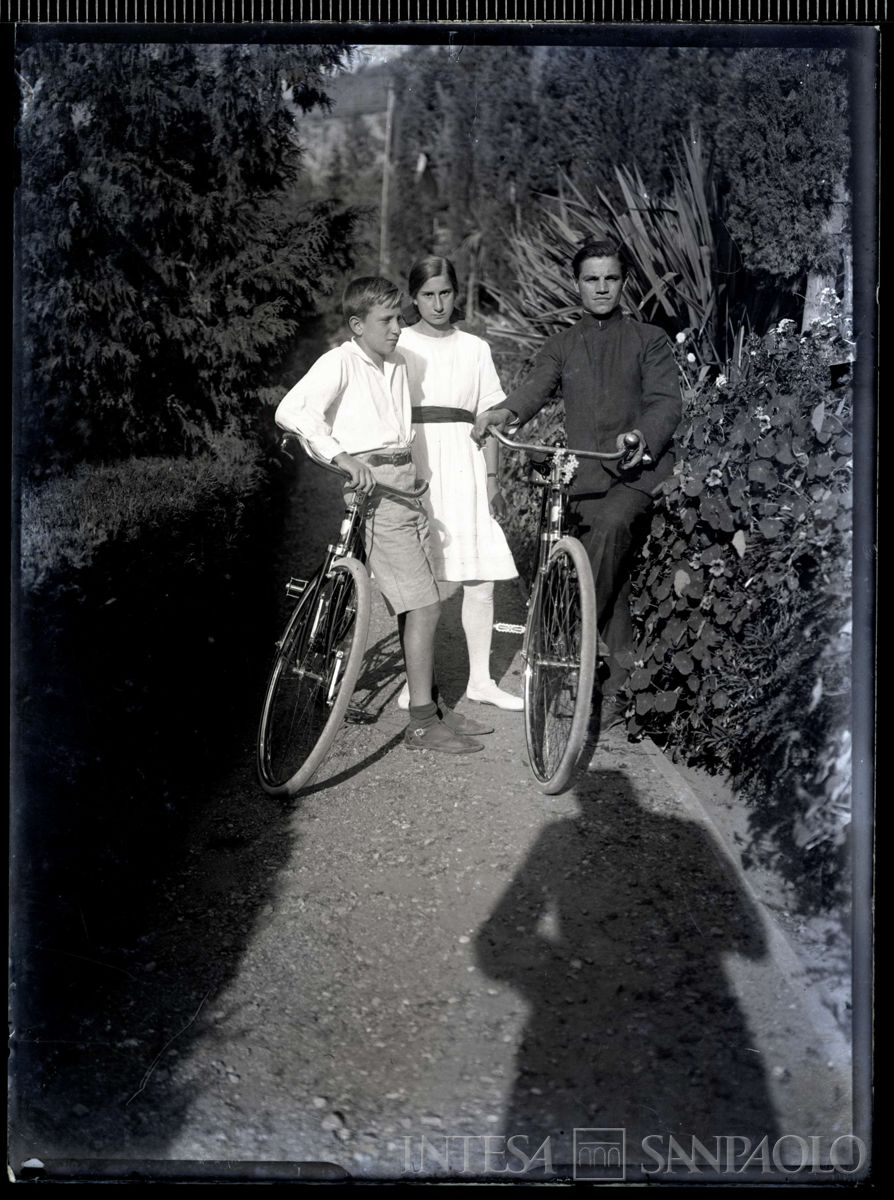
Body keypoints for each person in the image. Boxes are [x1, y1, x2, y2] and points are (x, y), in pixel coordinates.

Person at [275, 276, 492, 755]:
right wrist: (342, 457)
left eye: (399, 318)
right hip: (373, 490)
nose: (398, 328)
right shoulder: (340, 361)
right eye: (387, 321)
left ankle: (431, 702)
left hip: (407, 484)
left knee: (425, 595)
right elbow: (292, 410)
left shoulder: (395, 361)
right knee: (426, 605)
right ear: (357, 325)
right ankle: (419, 724)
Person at [473, 241, 681, 727]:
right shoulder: (563, 344)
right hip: (583, 478)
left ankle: (569, 637)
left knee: (608, 531)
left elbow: (666, 403)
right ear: (578, 285)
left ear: (624, 282)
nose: (602, 287)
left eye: (610, 278)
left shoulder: (649, 339)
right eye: (592, 279)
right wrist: (504, 413)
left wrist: (641, 435)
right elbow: (535, 388)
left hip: (635, 473)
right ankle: (611, 698)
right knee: (610, 579)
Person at [396, 255, 523, 711]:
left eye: (445, 293)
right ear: (414, 298)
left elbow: (489, 417)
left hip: (466, 464)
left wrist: (491, 478)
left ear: (456, 293)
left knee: (479, 575)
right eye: (427, 295)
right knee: (416, 575)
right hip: (418, 461)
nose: (437, 303)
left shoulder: (475, 348)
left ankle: (481, 681)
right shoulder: (401, 343)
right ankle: (417, 685)